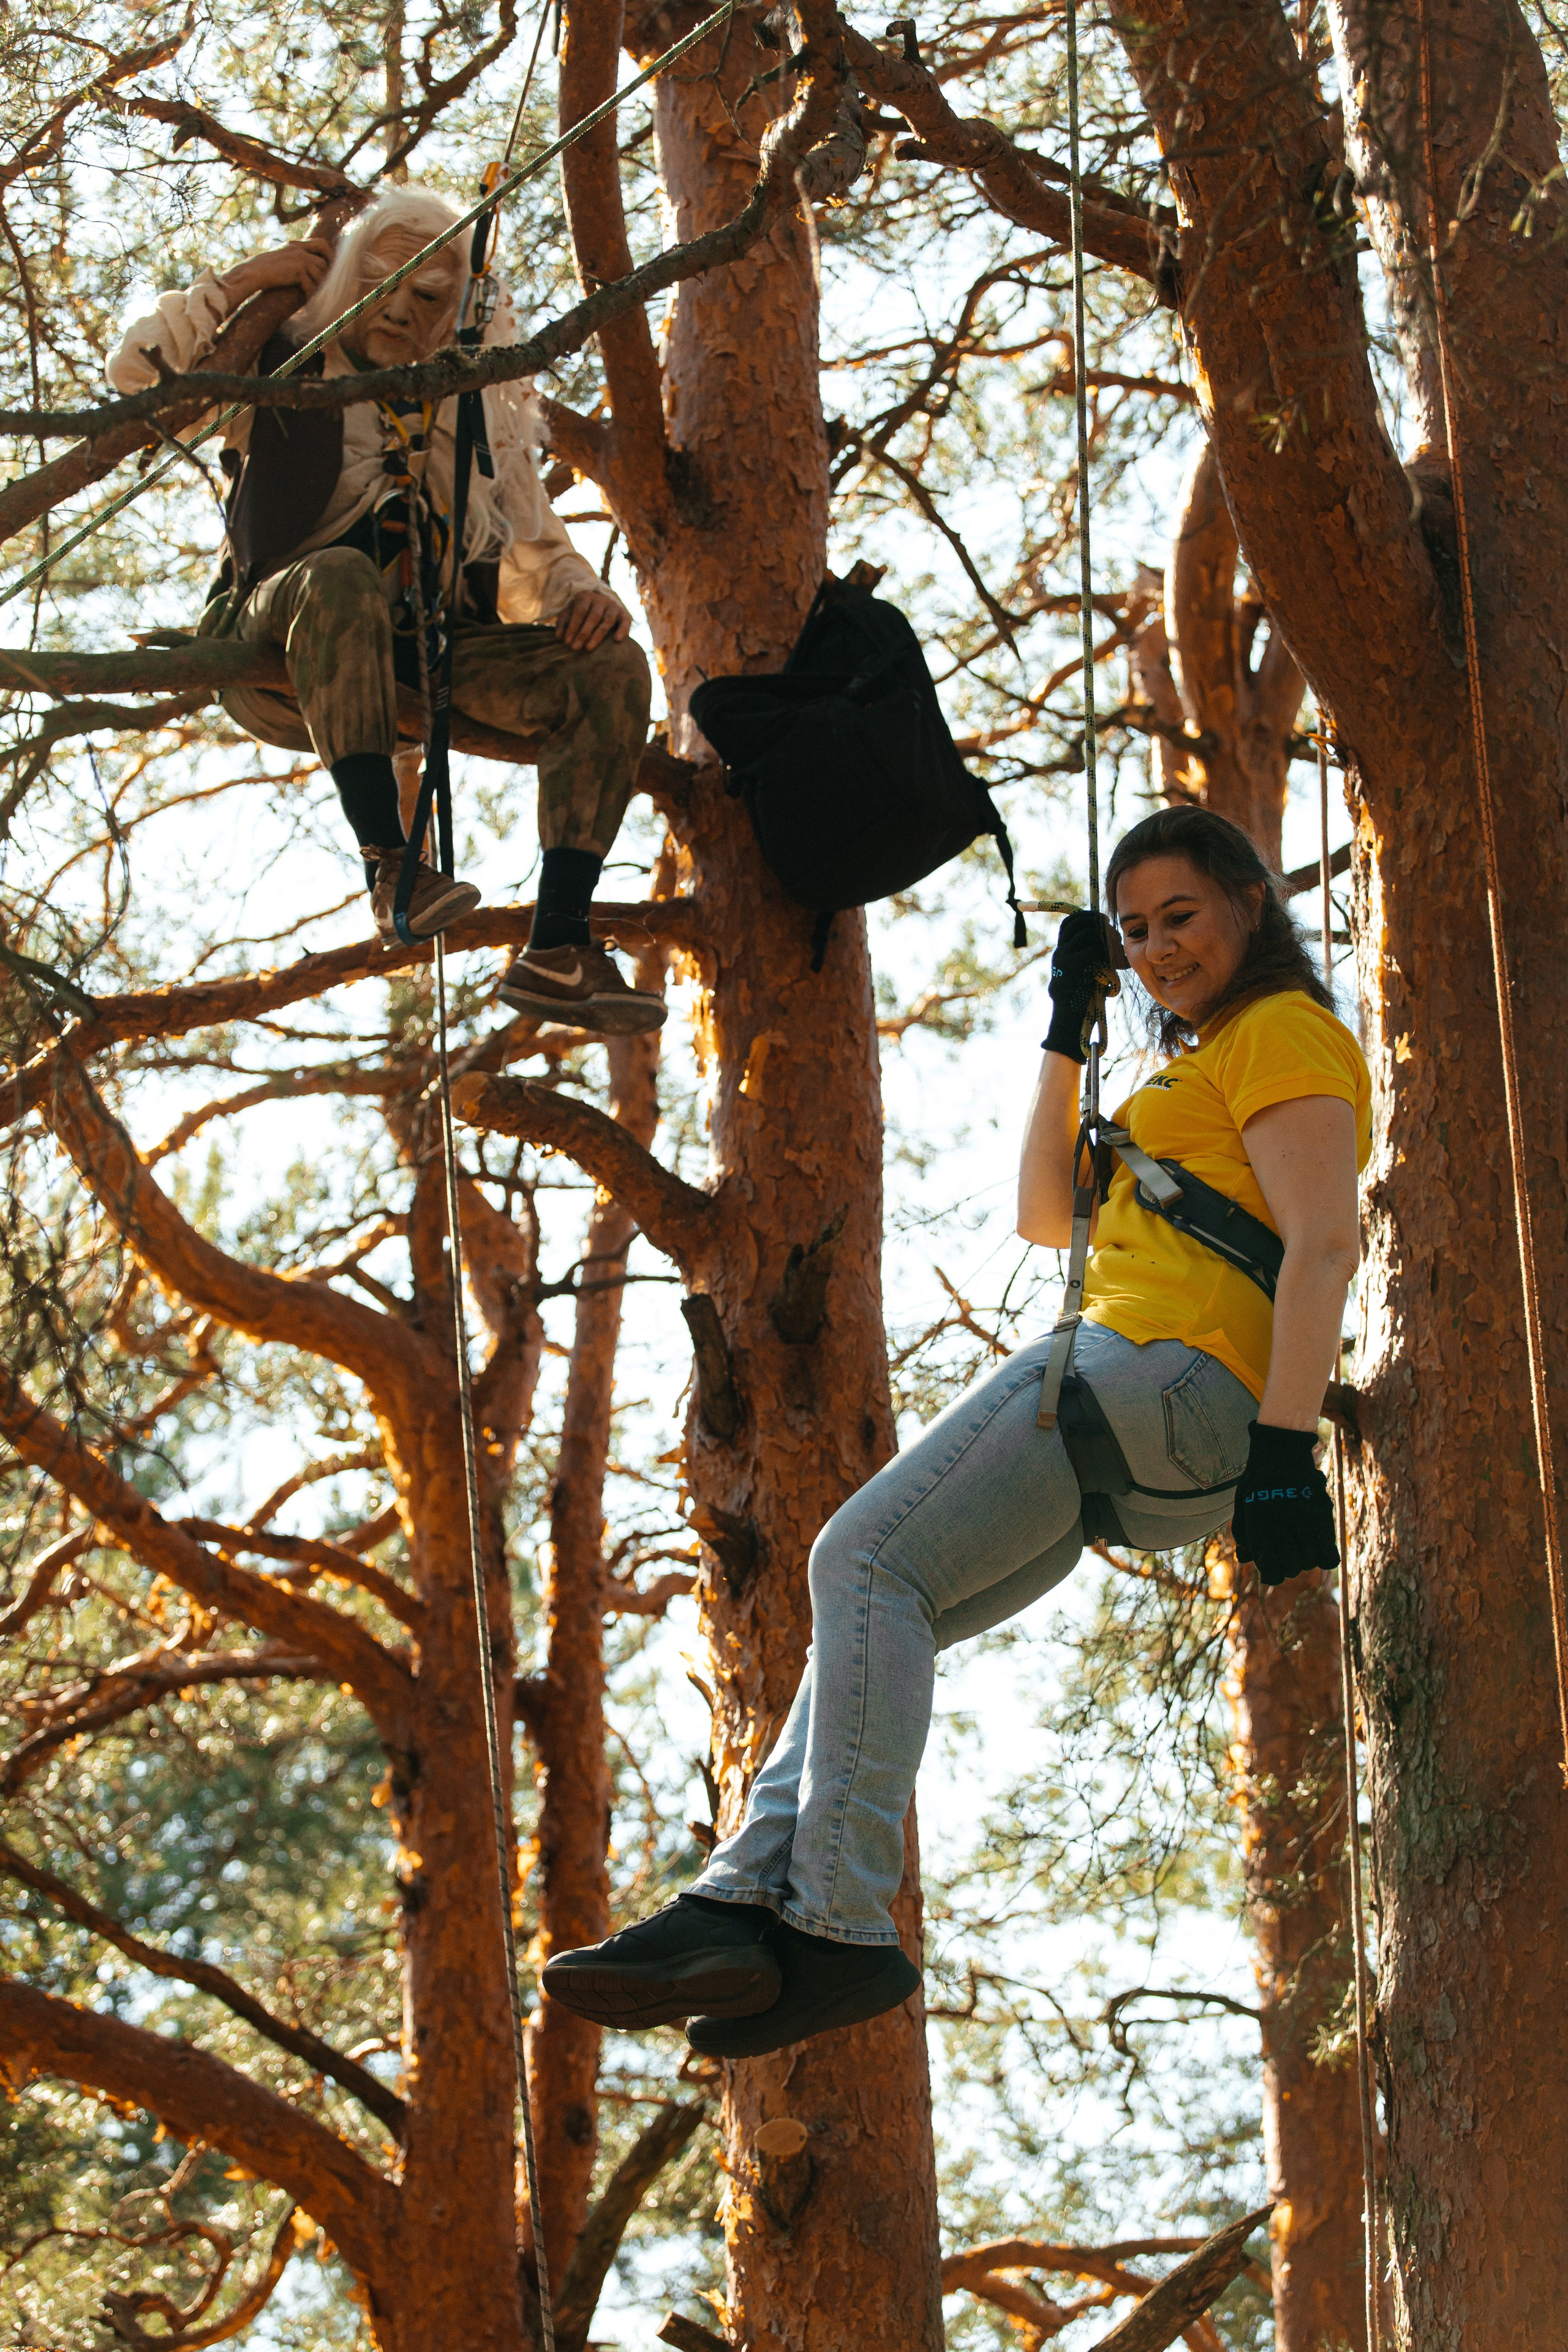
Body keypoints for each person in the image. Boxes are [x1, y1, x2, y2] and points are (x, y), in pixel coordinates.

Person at [542, 804, 1371, 2057]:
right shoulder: (1181, 1077)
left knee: (855, 1558)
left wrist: (1280, 1452)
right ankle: (744, 1906)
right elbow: (1046, 1212)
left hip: (1165, 1387)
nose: (1155, 949)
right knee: (882, 1608)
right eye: (1135, 930)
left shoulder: (1281, 1033)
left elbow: (1323, 1244)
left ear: (1251, 901)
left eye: (1179, 917)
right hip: (1148, 1440)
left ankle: (831, 1921)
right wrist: (1063, 1031)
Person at [109, 189, 663, 1035]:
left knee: (611, 667)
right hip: (279, 640)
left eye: (430, 296)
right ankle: (389, 864)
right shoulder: (290, 366)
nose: (401, 307)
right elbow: (139, 372)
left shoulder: (475, 415)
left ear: (458, 315)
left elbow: (537, 545)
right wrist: (247, 282)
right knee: (339, 577)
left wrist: (581, 596)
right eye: (382, 282)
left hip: (420, 660)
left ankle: (560, 943)